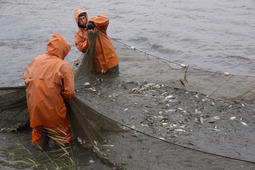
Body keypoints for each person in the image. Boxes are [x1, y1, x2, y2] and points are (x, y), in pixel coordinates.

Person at [24, 33, 75, 146]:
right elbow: (69, 93)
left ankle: (36, 155)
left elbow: (26, 78)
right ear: (64, 50)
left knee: (38, 131)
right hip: (53, 110)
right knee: (63, 136)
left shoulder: (37, 59)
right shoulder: (64, 66)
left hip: (34, 108)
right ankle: (60, 158)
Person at [74, 9, 119, 74]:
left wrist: (93, 23)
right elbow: (82, 48)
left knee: (114, 79)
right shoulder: (78, 34)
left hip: (110, 59)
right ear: (77, 22)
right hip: (96, 65)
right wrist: (90, 38)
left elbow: (105, 18)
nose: (83, 21)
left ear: (86, 17)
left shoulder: (98, 25)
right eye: (80, 20)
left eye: (84, 18)